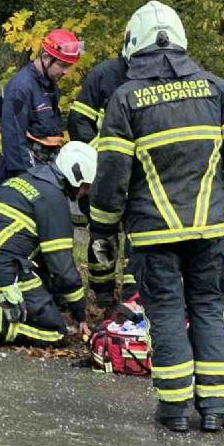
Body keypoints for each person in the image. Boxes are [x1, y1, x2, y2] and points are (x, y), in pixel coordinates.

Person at [89, 0, 224, 433]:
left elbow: (111, 176)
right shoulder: (218, 91)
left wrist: (104, 227)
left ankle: (175, 410)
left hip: (151, 232)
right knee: (207, 306)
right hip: (209, 229)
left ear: (135, 45)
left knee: (164, 312)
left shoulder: (126, 99)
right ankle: (217, 407)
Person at [0, 141, 96, 348]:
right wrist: (79, 312)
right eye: (86, 186)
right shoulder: (53, 200)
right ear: (75, 176)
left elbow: (42, 258)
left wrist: (59, 301)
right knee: (55, 333)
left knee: (46, 309)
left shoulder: (25, 180)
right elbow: (61, 266)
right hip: (1, 273)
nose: (86, 192)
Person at [67, 52, 132, 306]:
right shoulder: (105, 74)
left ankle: (131, 295)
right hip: (105, 173)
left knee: (138, 236)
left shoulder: (157, 78)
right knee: (103, 232)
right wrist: (101, 157)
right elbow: (79, 120)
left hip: (139, 174)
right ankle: (103, 291)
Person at [0, 29, 83, 184]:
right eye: (63, 65)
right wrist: (28, 182)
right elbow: (14, 142)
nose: (66, 72)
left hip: (44, 170)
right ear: (45, 57)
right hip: (23, 176)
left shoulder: (50, 86)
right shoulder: (21, 88)